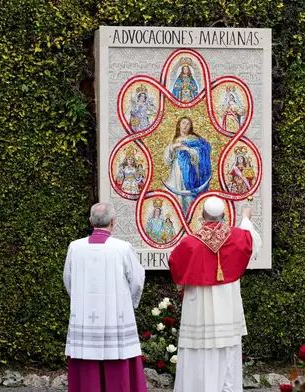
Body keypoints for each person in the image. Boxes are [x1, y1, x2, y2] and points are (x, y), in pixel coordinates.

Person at [169, 197, 261, 392]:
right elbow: (250, 239)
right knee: (226, 348)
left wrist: (181, 288)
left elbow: (175, 265)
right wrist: (245, 217)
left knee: (199, 347)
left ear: (202, 216)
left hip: (198, 306)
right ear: (224, 216)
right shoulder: (237, 237)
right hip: (227, 304)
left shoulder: (190, 242)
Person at [64, 203, 147, 392]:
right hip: (115, 315)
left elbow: (69, 280)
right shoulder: (123, 248)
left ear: (91, 221)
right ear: (113, 222)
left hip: (85, 317)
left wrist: (80, 300)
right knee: (117, 357)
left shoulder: (75, 248)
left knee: (87, 363)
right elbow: (136, 280)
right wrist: (130, 303)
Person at [162, 117, 212, 216]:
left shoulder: (195, 140)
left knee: (188, 198)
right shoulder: (174, 140)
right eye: (183, 123)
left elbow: (203, 152)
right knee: (174, 195)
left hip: (190, 171)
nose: (185, 126)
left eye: (188, 124)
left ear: (190, 127)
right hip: (176, 170)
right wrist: (173, 146)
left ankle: (189, 217)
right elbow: (167, 160)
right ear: (179, 125)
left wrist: (188, 149)